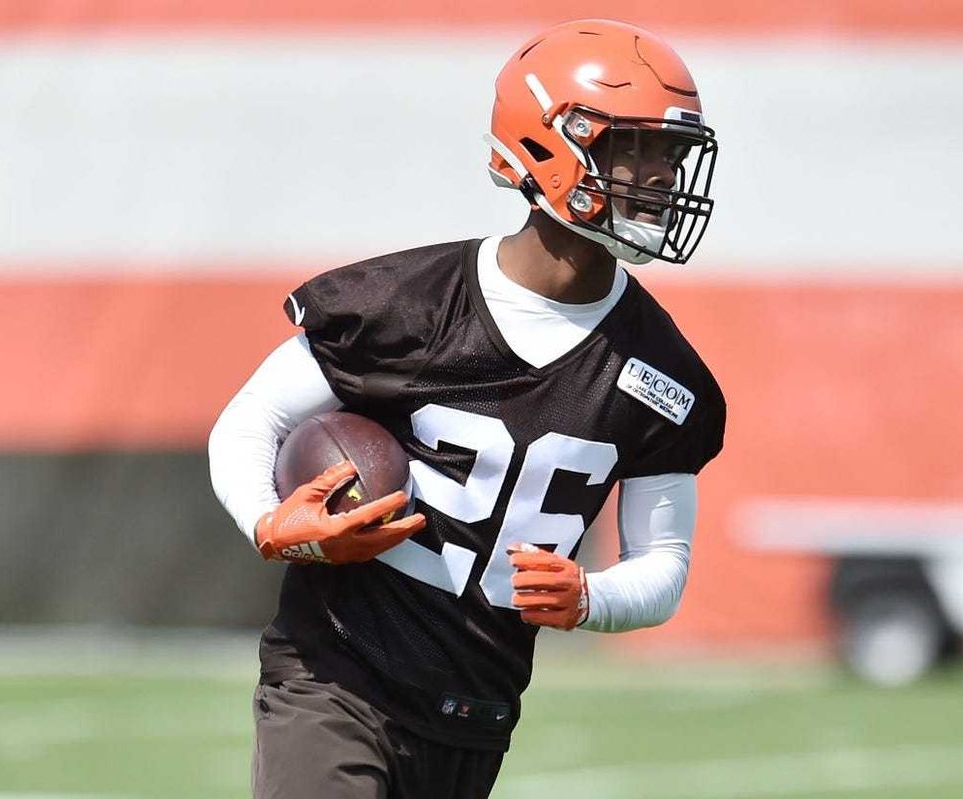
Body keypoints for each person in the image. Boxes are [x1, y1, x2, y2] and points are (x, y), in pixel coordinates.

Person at [208, 18, 725, 799]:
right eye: (636, 149)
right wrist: (268, 521)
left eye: (671, 155)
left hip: (476, 712)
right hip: (335, 677)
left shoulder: (664, 373)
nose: (659, 178)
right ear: (552, 146)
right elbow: (250, 422)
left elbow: (663, 564)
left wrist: (592, 598)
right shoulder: (404, 306)